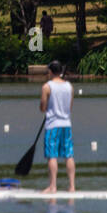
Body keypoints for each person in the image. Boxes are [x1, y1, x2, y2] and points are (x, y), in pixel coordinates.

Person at [40, 60, 75, 193]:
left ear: (50, 71)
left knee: (52, 155)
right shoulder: (69, 86)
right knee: (69, 155)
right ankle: (72, 187)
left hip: (52, 125)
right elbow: (69, 107)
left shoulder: (47, 87)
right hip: (66, 124)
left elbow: (43, 107)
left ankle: (52, 186)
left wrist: (47, 107)